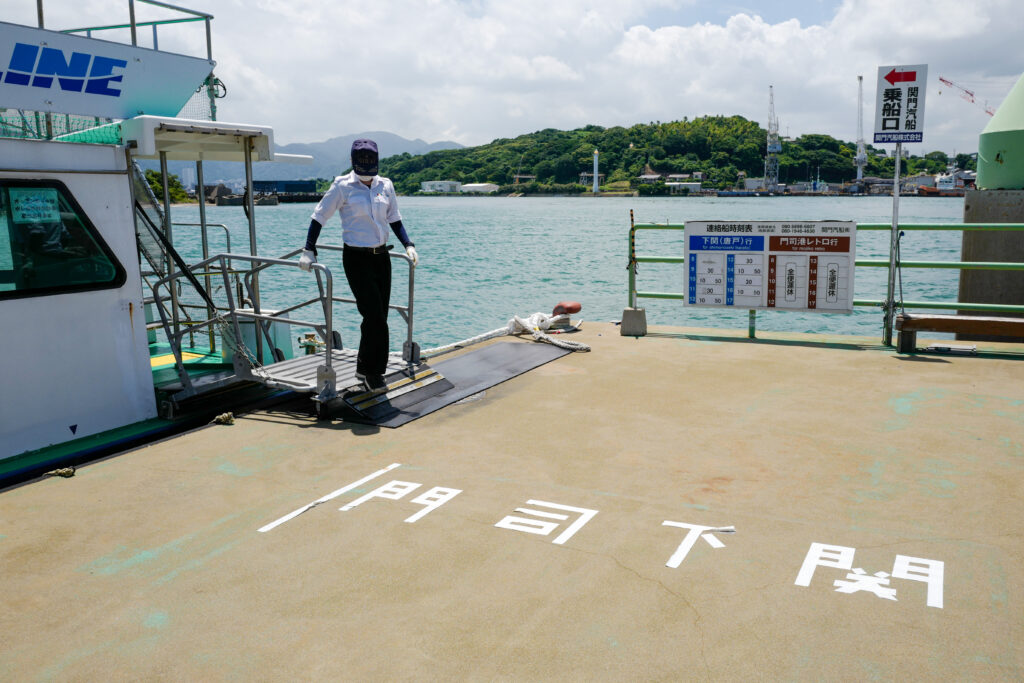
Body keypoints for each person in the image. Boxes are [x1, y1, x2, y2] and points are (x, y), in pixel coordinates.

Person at [298, 139, 419, 391]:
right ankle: (374, 373)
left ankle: (364, 367)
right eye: (363, 171)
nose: (367, 177)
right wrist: (308, 249)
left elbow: (394, 218)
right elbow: (319, 216)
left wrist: (408, 244)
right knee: (374, 315)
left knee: (378, 316)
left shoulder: (385, 185)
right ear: (354, 165)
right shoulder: (342, 186)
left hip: (382, 258)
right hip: (356, 258)